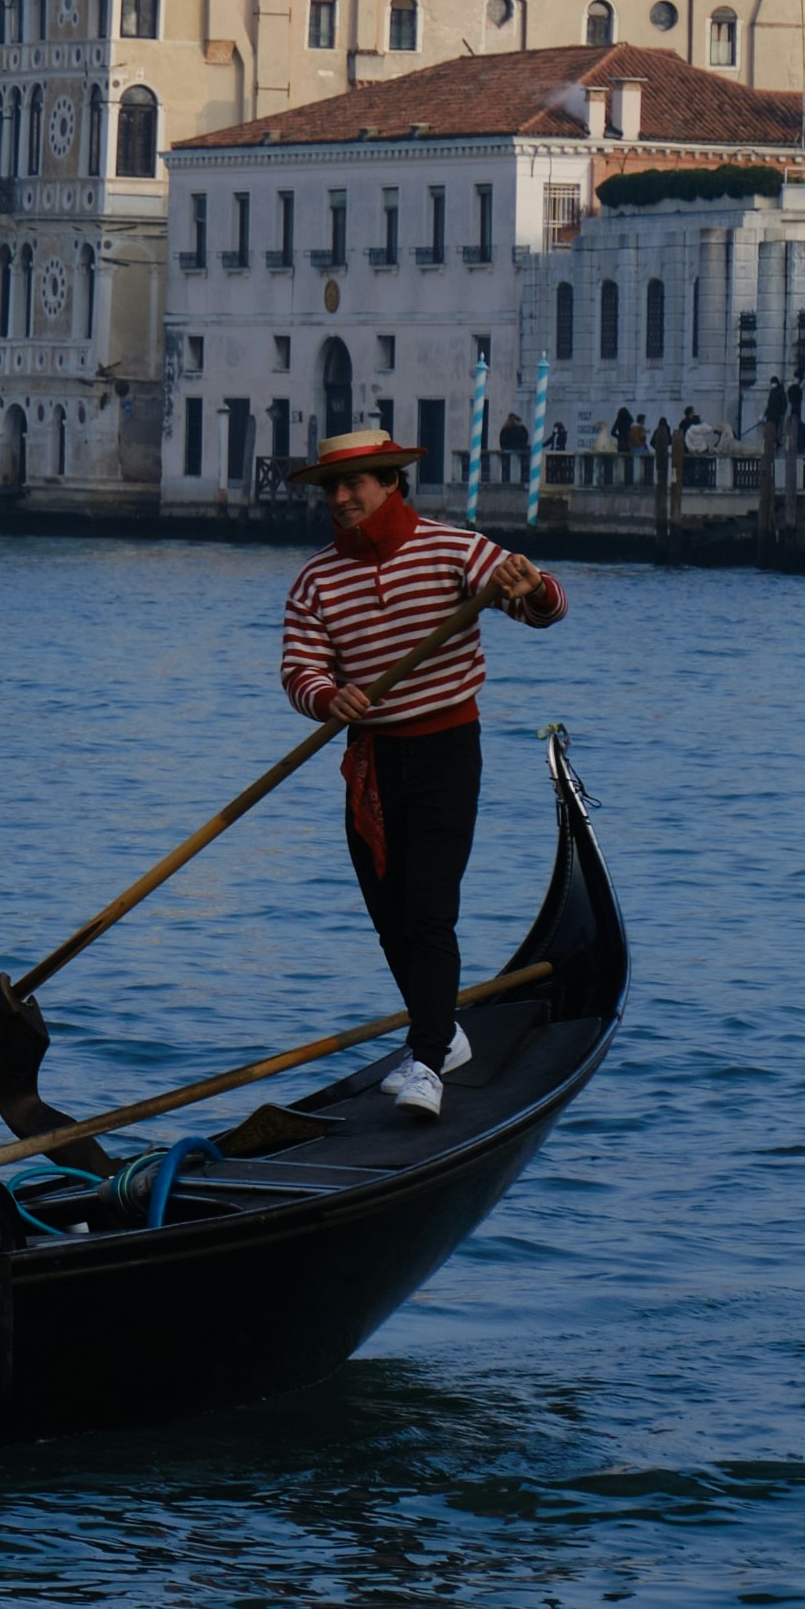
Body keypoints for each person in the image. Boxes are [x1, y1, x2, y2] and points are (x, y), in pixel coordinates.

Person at [277, 430, 565, 1120]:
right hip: (371, 763)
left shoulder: (454, 549)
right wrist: (328, 696)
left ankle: (429, 1058)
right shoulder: (316, 579)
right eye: (333, 489)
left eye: (356, 485)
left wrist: (534, 586)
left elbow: (536, 607)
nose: (343, 499)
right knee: (390, 916)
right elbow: (299, 668)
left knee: (428, 910)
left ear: (390, 483)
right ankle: (447, 1031)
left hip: (445, 749)